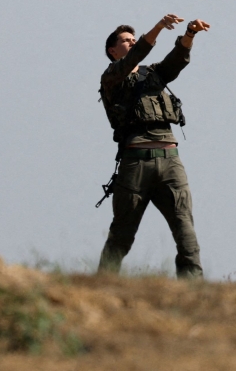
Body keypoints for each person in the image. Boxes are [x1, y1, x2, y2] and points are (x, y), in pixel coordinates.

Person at [97, 14, 210, 279]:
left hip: (171, 161)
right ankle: (102, 285)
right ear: (113, 51)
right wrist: (158, 27)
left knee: (186, 232)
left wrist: (190, 34)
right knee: (122, 234)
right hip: (136, 163)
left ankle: (193, 289)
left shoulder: (154, 74)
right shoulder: (112, 77)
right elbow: (135, 57)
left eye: (133, 39)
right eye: (126, 41)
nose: (132, 42)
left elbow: (176, 61)